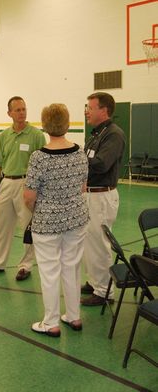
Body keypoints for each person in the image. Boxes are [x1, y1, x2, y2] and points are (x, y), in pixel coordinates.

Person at [24, 103, 89, 336]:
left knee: (49, 270)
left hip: (47, 223)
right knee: (72, 267)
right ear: (68, 124)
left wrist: (40, 210)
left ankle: (50, 322)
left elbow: (29, 196)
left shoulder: (39, 158)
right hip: (76, 218)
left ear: (43, 126)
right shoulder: (80, 152)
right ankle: (74, 316)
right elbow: (83, 187)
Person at [0, 96, 46, 281]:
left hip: (27, 184)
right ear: (9, 113)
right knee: (2, 225)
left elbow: (42, 164)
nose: (22, 113)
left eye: (24, 109)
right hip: (6, 183)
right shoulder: (4, 136)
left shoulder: (36, 135)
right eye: (17, 110)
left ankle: (26, 266)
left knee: (27, 226)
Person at [81, 92, 125, 306]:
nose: (87, 111)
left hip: (102, 196)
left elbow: (101, 164)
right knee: (89, 241)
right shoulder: (96, 134)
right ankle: (94, 280)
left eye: (90, 107)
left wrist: (76, 160)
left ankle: (104, 291)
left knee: (99, 242)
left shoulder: (114, 134)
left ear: (104, 110)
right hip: (90, 195)